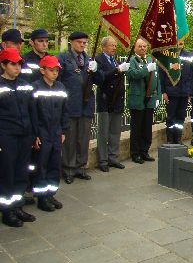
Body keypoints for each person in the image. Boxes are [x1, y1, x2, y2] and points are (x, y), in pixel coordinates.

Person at [57, 32, 101, 184]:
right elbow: (58, 80)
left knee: (83, 138)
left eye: (84, 43)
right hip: (70, 104)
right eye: (79, 42)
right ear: (71, 42)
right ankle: (68, 169)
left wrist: (96, 70)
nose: (82, 45)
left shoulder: (89, 59)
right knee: (69, 139)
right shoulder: (63, 58)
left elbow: (99, 80)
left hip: (86, 104)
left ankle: (80, 167)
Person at [0, 48, 37, 227]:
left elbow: (32, 111)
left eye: (19, 64)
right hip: (7, 136)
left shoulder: (25, 85)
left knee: (22, 173)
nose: (17, 67)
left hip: (25, 135)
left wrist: (35, 134)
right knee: (8, 173)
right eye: (13, 64)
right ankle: (7, 211)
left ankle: (18, 206)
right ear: (3, 65)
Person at [31, 56, 68, 212]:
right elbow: (32, 114)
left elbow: (65, 111)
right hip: (42, 132)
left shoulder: (60, 87)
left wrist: (64, 130)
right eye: (51, 70)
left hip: (56, 132)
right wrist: (35, 135)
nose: (54, 73)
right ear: (42, 71)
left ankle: (50, 193)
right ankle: (41, 197)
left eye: (56, 70)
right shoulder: (35, 88)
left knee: (54, 164)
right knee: (42, 165)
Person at [95, 36, 128, 172]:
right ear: (104, 47)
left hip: (117, 101)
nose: (114, 48)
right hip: (105, 100)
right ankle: (103, 160)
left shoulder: (114, 60)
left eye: (115, 45)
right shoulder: (99, 60)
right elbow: (101, 78)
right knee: (103, 132)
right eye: (111, 45)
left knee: (115, 131)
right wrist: (117, 70)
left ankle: (113, 158)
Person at [126, 39, 161, 164]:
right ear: (135, 48)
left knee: (147, 127)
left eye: (144, 46)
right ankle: (135, 153)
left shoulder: (151, 60)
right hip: (138, 99)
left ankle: (144, 151)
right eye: (140, 46)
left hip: (150, 99)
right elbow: (133, 74)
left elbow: (157, 80)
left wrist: (157, 96)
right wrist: (147, 69)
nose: (142, 48)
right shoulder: (132, 60)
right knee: (137, 128)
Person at [159, 41, 191, 144]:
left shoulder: (188, 56)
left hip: (184, 92)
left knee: (181, 117)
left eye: (182, 40)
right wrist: (163, 91)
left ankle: (177, 138)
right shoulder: (167, 55)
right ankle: (170, 139)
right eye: (178, 39)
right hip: (171, 92)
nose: (181, 42)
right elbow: (161, 75)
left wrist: (189, 92)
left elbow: (191, 74)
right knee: (171, 117)